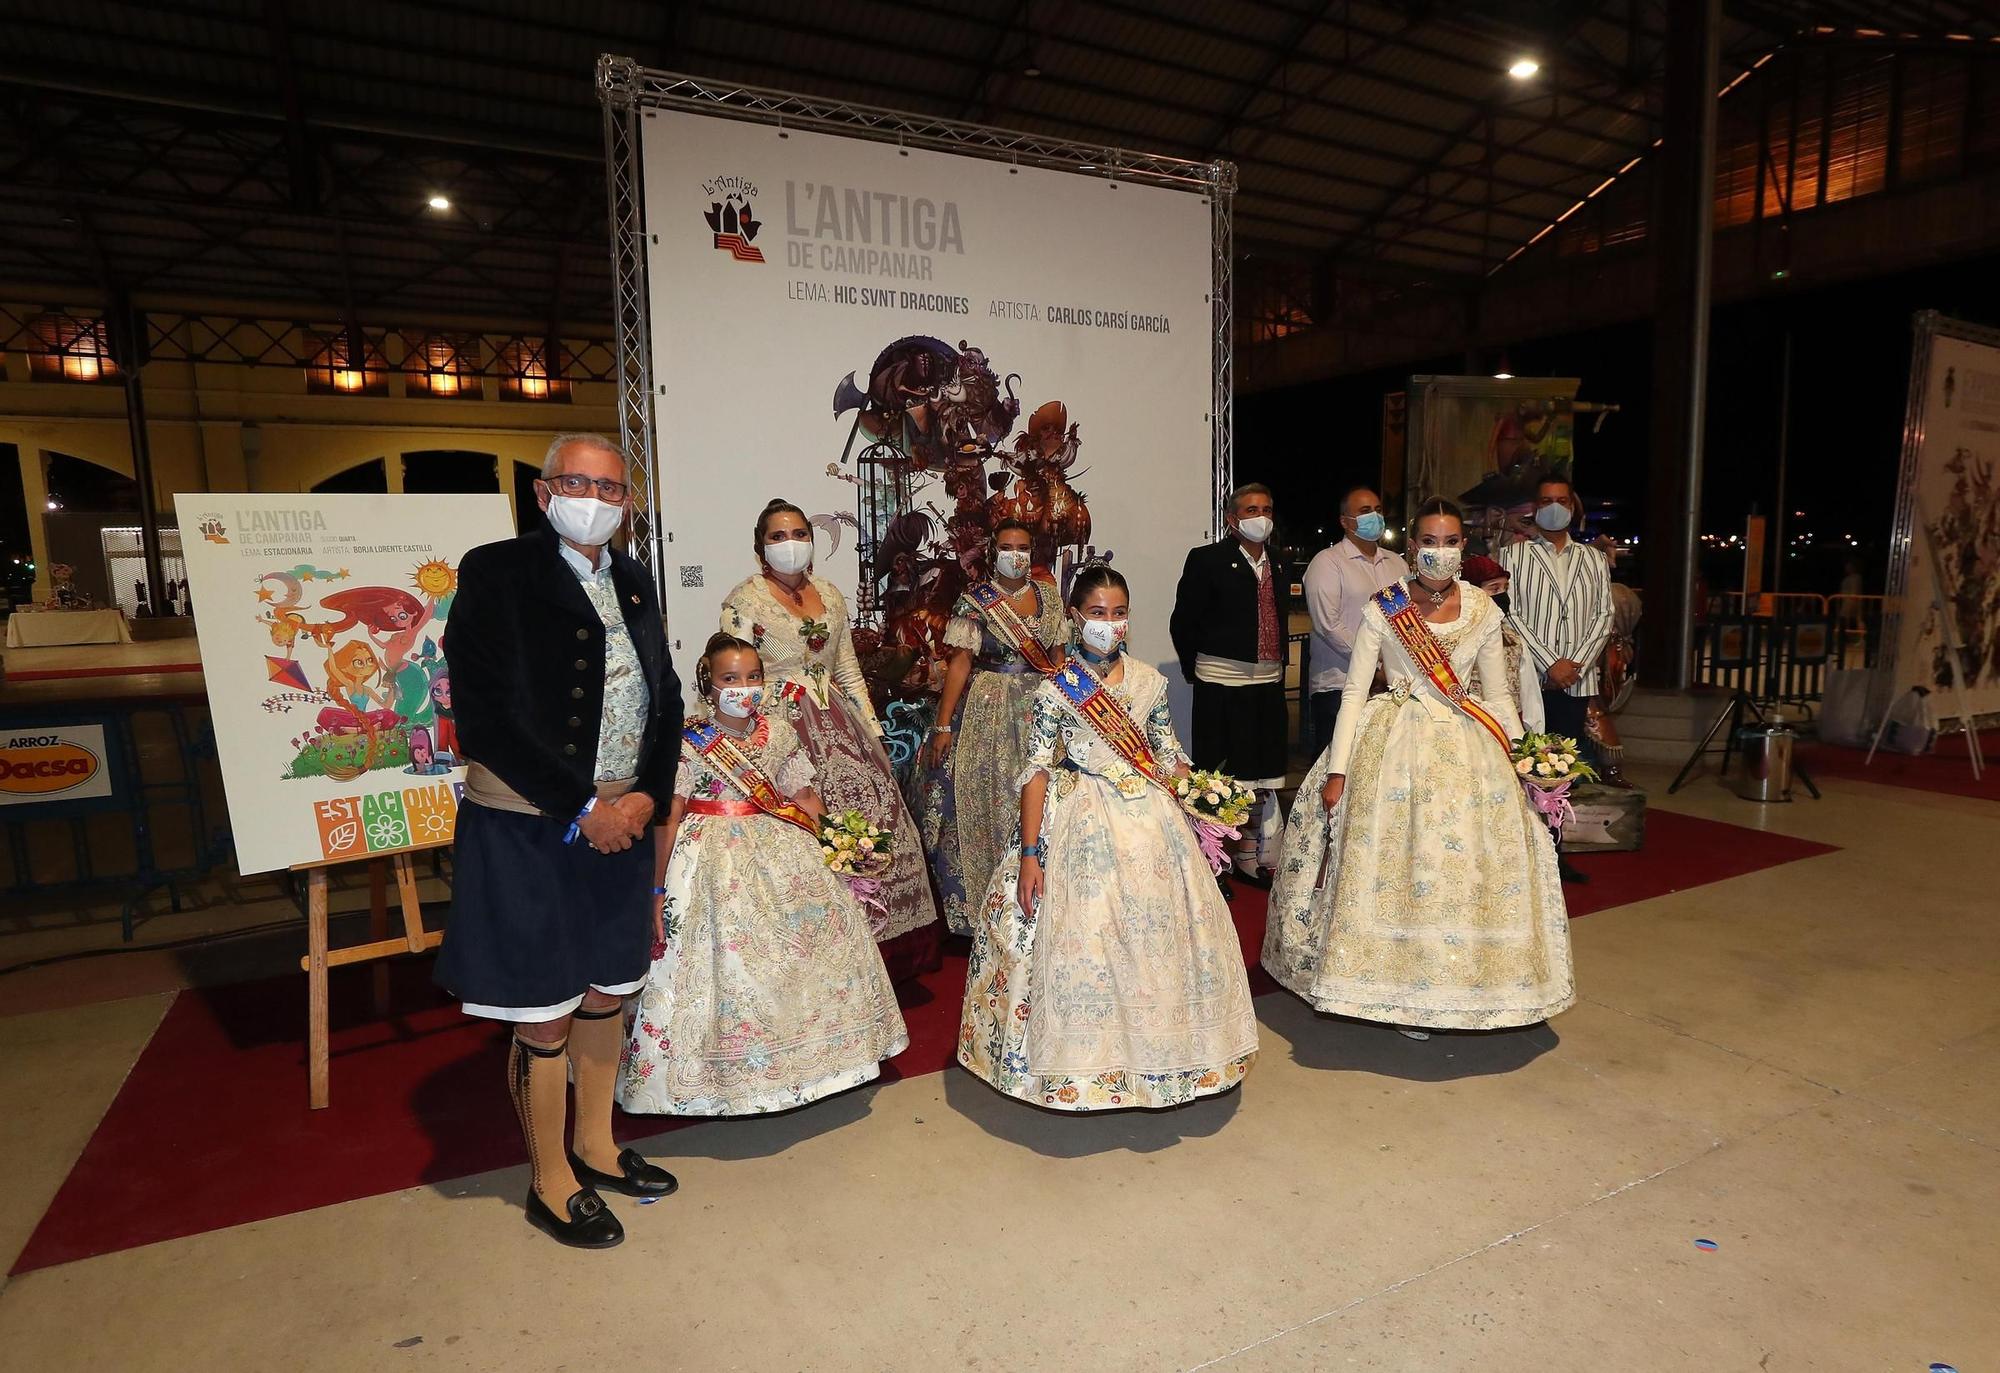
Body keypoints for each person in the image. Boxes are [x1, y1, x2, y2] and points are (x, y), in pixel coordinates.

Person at [434, 432, 683, 1250]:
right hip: (532, 823)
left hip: (623, 821)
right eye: (579, 483)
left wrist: (647, 792)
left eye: (612, 489)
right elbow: (485, 713)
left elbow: (667, 696)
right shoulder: (496, 572)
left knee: (609, 986)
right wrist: (583, 804)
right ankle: (551, 1177)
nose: (596, 499)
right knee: (543, 1008)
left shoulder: (637, 582)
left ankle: (597, 1143)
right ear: (544, 494)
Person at [1265, 497, 1574, 1040]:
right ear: (1411, 548)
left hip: (1468, 743)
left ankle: (1469, 984)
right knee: (1400, 865)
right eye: (1428, 541)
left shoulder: (1481, 609)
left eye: (1450, 541)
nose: (1439, 551)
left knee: (1461, 868)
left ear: (1464, 547)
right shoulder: (1384, 606)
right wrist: (1338, 770)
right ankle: (1400, 990)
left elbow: (1499, 698)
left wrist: (1529, 757)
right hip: (1393, 742)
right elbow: (1357, 691)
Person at [957, 564, 1260, 1110]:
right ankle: (1083, 1064)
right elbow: (1037, 770)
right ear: (1075, 617)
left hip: (1150, 820)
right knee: (1089, 937)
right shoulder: (1057, 689)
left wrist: (1208, 795)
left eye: (1119, 614)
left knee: (1158, 936)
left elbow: (1167, 755)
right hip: (1080, 819)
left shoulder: (1149, 682)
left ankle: (1169, 1057)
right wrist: (1030, 855)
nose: (1109, 624)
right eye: (1098, 613)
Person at [619, 634, 907, 1116]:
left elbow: (804, 795)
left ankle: (819, 1061)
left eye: (753, 678)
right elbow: (671, 811)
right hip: (711, 856)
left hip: (784, 846)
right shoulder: (689, 739)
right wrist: (656, 883)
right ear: (708, 683)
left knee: (807, 951)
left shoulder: (778, 732)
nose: (744, 688)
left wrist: (836, 844)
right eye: (731, 679)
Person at [721, 499, 941, 981]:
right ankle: (814, 949)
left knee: (877, 811)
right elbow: (735, 677)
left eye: (799, 534)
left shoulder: (829, 592)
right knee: (801, 825)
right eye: (778, 537)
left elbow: (846, 669)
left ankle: (879, 950)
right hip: (779, 727)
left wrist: (873, 732)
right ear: (761, 548)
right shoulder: (745, 601)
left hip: (838, 719)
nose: (790, 544)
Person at [918, 519, 1066, 934]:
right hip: (987, 705)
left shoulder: (1049, 598)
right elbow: (961, 662)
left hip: (1040, 703)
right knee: (987, 795)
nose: (1015, 554)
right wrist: (943, 724)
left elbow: (1056, 660)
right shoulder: (975, 600)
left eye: (1022, 546)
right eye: (1006, 546)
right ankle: (988, 906)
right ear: (992, 551)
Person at [1170, 483, 1289, 886]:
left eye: (1267, 509)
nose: (1262, 517)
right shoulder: (1207, 560)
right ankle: (1214, 862)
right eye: (1252, 509)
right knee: (1218, 780)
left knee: (1260, 776)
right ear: (1232, 519)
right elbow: (1183, 621)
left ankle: (1252, 856)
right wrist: (1195, 667)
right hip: (1220, 681)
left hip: (1268, 682)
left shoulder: (1279, 561)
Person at [1494, 477, 1613, 769]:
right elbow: (1510, 614)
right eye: (1546, 501)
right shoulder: (1513, 556)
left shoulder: (1594, 558)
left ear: (1572, 507)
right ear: (1536, 508)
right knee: (1526, 757)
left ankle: (1560, 812)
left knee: (1564, 761)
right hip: (1532, 675)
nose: (1554, 507)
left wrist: (1575, 665)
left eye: (1561, 501)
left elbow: (1604, 615)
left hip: (1576, 677)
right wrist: (1550, 663)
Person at [1303, 485, 1408, 753]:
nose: (1374, 516)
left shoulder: (1397, 564)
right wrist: (1374, 663)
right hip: (1339, 684)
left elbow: (1406, 621)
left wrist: (1392, 668)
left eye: (1377, 510)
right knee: (1338, 768)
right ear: (1345, 521)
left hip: (1392, 685)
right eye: (1364, 511)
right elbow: (1329, 625)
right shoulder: (1328, 562)